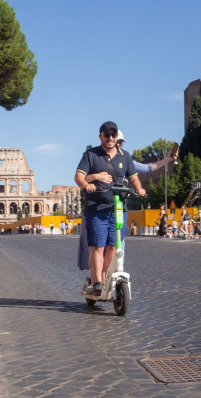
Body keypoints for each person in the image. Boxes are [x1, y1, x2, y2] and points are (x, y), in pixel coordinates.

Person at [74, 121, 145, 297]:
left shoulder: (125, 156)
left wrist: (139, 188)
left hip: (119, 208)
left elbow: (134, 178)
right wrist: (89, 182)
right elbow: (78, 177)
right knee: (98, 246)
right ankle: (97, 281)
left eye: (113, 135)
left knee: (113, 247)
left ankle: (105, 277)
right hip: (96, 208)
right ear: (101, 137)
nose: (111, 138)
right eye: (107, 135)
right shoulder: (91, 155)